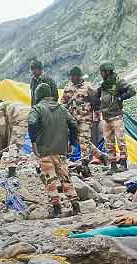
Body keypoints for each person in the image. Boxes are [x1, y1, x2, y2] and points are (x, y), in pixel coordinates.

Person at [28, 83, 80, 218]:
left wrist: (33, 142)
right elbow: (74, 125)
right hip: (61, 150)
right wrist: (72, 143)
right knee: (66, 178)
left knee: (50, 180)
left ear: (38, 95)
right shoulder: (62, 108)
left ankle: (57, 208)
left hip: (44, 151)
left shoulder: (37, 109)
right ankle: (75, 205)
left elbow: (32, 123)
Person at [95, 62, 136, 173]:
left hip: (116, 115)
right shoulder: (103, 85)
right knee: (109, 141)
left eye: (102, 72)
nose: (101, 74)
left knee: (120, 140)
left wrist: (120, 98)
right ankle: (113, 165)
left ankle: (123, 163)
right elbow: (96, 96)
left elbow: (132, 90)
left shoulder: (118, 82)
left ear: (107, 72)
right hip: (106, 117)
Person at [61, 66, 98, 176]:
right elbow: (64, 102)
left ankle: (85, 165)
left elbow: (96, 102)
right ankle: (100, 155)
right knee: (80, 140)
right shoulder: (68, 87)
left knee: (83, 140)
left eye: (75, 76)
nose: (73, 78)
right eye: (71, 76)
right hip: (72, 119)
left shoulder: (88, 87)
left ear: (79, 76)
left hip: (85, 118)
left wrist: (96, 118)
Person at [0, 100, 31, 178]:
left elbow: (1, 129)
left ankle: (12, 170)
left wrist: (0, 144)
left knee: (14, 144)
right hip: (31, 113)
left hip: (21, 117)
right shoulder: (10, 104)